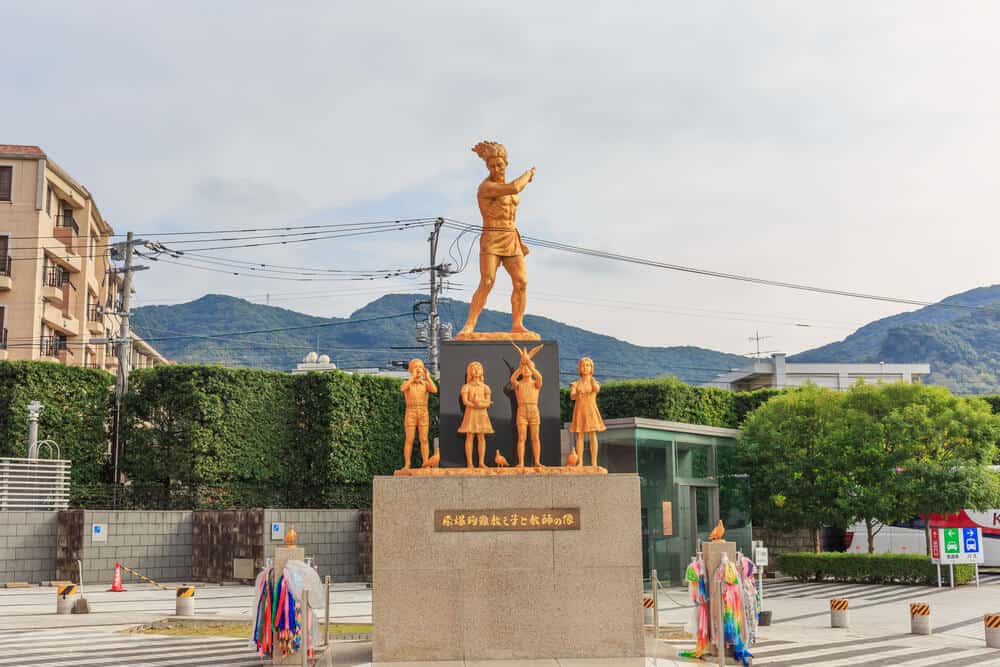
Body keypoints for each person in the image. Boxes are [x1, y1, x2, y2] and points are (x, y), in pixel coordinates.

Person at [458, 140, 536, 336]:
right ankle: (469, 325)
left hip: (511, 237)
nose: (496, 168)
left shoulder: (507, 187)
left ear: (506, 164)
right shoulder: (486, 187)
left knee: (521, 282)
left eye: (499, 164)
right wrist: (528, 175)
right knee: (487, 281)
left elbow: (514, 192)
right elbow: (515, 187)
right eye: (491, 166)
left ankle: (518, 324)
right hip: (492, 237)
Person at [510, 346, 544, 467]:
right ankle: (521, 462)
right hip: (522, 410)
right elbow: (512, 378)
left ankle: (537, 461)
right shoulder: (518, 384)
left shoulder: (536, 383)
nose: (526, 370)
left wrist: (528, 363)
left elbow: (539, 377)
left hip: (534, 410)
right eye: (524, 368)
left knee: (535, 437)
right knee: (522, 438)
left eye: (528, 368)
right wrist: (521, 364)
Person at [400, 359, 437, 468]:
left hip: (423, 412)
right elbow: (402, 388)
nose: (418, 369)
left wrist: (428, 377)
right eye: (416, 367)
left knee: (424, 439)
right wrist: (412, 377)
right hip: (411, 411)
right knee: (409, 439)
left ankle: (425, 463)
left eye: (420, 367)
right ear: (411, 369)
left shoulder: (425, 384)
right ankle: (407, 464)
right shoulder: (407, 383)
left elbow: (434, 390)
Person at [570, 357, 606, 467]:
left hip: (591, 410)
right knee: (580, 435)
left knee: (592, 435)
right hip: (580, 410)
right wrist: (577, 394)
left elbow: (597, 389)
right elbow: (572, 396)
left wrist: (592, 381)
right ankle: (580, 462)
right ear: (579, 368)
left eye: (587, 365)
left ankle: (594, 462)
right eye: (583, 365)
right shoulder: (575, 384)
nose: (585, 367)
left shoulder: (594, 382)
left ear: (591, 368)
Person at [458, 361, 494, 468]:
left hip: (482, 414)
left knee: (481, 437)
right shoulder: (466, 387)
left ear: (482, 371)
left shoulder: (485, 387)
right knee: (469, 436)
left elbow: (488, 402)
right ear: (470, 371)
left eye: (478, 368)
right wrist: (475, 403)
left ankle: (481, 462)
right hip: (471, 413)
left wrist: (480, 404)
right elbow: (465, 402)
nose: (476, 370)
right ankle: (470, 463)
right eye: (474, 368)